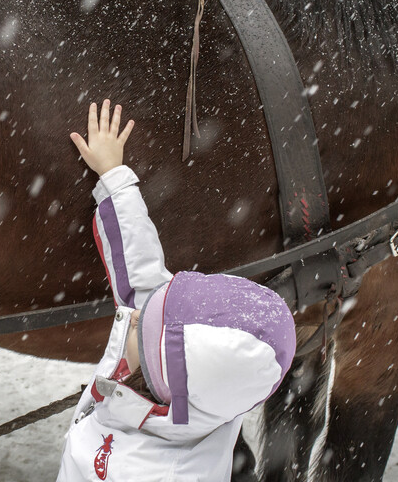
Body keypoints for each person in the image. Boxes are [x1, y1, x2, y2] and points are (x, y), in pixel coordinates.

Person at [57, 100, 298, 481]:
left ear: (161, 376)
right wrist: (114, 174)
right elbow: (144, 281)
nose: (133, 316)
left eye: (142, 326)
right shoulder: (202, 395)